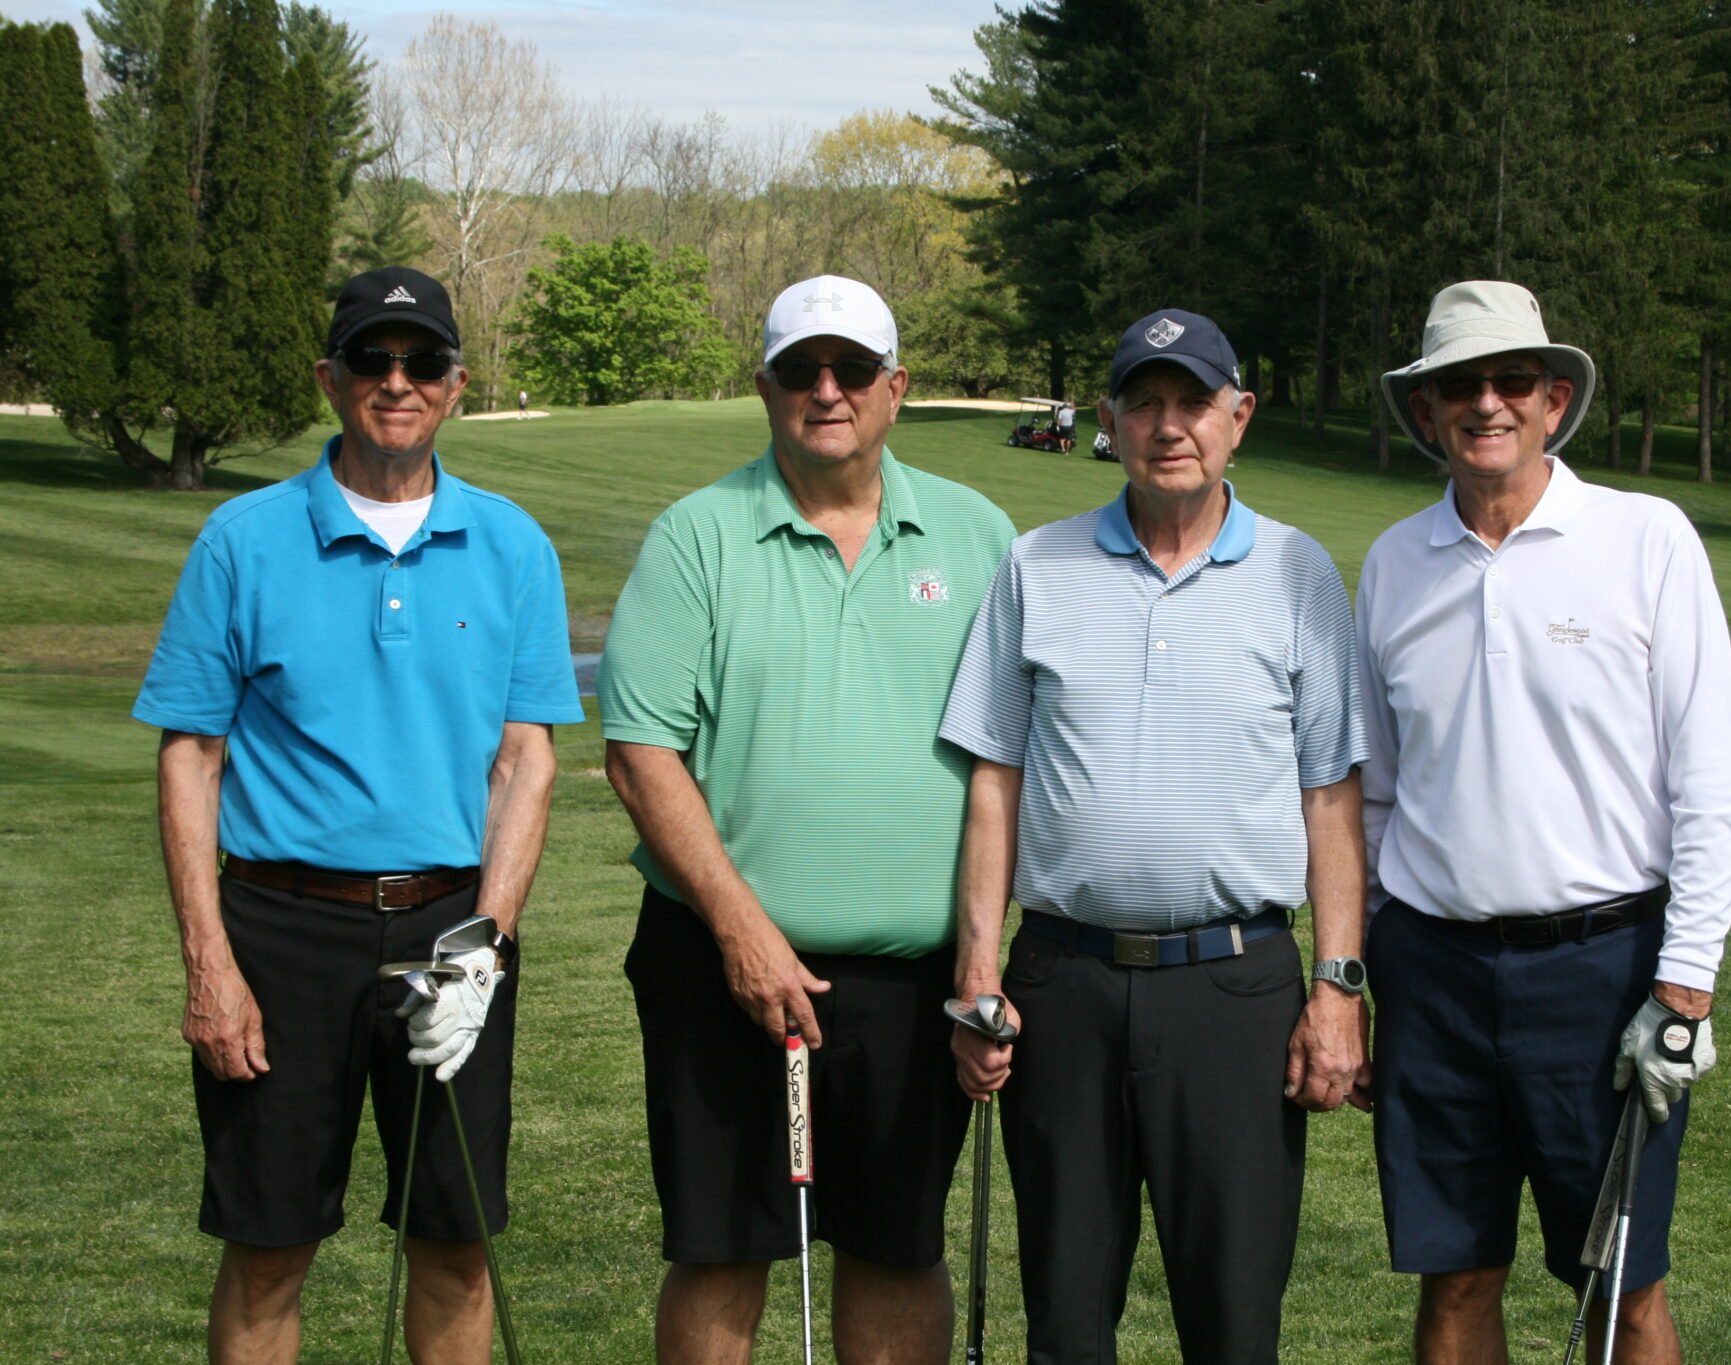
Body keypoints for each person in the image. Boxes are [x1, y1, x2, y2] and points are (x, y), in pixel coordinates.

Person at [134, 265, 583, 1363]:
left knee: (453, 1243)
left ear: (456, 384)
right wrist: (210, 963)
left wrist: (487, 947)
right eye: (372, 360)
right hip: (279, 934)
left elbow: (527, 762)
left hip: (450, 931)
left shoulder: (514, 544)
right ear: (330, 377)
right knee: (268, 1245)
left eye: (421, 361)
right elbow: (191, 758)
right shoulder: (243, 538)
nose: (397, 382)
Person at [598, 274, 1016, 1365]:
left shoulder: (975, 536)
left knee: (894, 1250)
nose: (825, 390)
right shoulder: (697, 535)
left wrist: (979, 961)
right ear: (765, 388)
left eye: (850, 370)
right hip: (717, 963)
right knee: (722, 1253)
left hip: (910, 978)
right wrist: (741, 931)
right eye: (799, 370)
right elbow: (641, 755)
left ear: (895, 389)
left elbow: (1004, 762)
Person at [943, 308, 1370, 1364]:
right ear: (1108, 420)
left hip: (1235, 990)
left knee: (1231, 1323)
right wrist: (978, 973)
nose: (1167, 424)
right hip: (1061, 987)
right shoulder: (1034, 567)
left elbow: (1331, 797)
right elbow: (992, 779)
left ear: (1238, 417)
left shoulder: (1298, 572)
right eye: (1143, 401)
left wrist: (1336, 987)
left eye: (1192, 402)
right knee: (1066, 1320)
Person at [1357, 280, 1731, 1364]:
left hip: (1602, 973)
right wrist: (1366, 966)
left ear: (1551, 399)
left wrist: (1681, 986)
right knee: (1452, 1285)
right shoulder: (1391, 563)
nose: (1485, 403)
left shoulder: (1644, 538)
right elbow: (1377, 796)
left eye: (1509, 380)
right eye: (1457, 385)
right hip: (1432, 977)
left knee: (1621, 1289)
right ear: (1427, 409)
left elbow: (1709, 782)